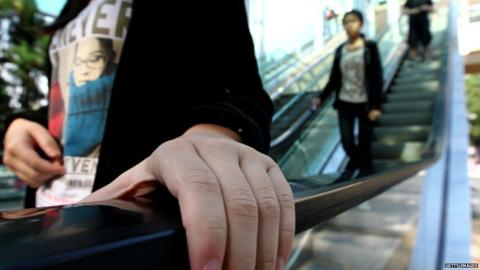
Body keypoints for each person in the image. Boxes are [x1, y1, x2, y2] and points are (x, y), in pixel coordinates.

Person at [2, 1, 295, 269]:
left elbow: (242, 90)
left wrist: (210, 136)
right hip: (46, 218)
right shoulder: (72, 6)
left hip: (125, 225)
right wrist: (21, 124)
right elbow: (71, 98)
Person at [312, 10, 383, 181]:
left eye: (353, 21)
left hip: (365, 102)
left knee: (365, 143)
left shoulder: (370, 47)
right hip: (345, 102)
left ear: (360, 23)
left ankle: (365, 177)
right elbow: (334, 79)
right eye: (346, 22)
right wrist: (321, 97)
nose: (349, 25)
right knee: (347, 141)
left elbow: (377, 78)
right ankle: (363, 169)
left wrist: (376, 106)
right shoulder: (340, 50)